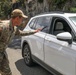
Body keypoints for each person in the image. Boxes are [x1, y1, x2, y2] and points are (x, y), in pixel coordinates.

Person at [0, 9, 41, 75]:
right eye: (22, 19)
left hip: (2, 53)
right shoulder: (3, 27)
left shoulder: (14, 28)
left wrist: (34, 32)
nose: (22, 21)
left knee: (7, 73)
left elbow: (21, 33)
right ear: (17, 18)